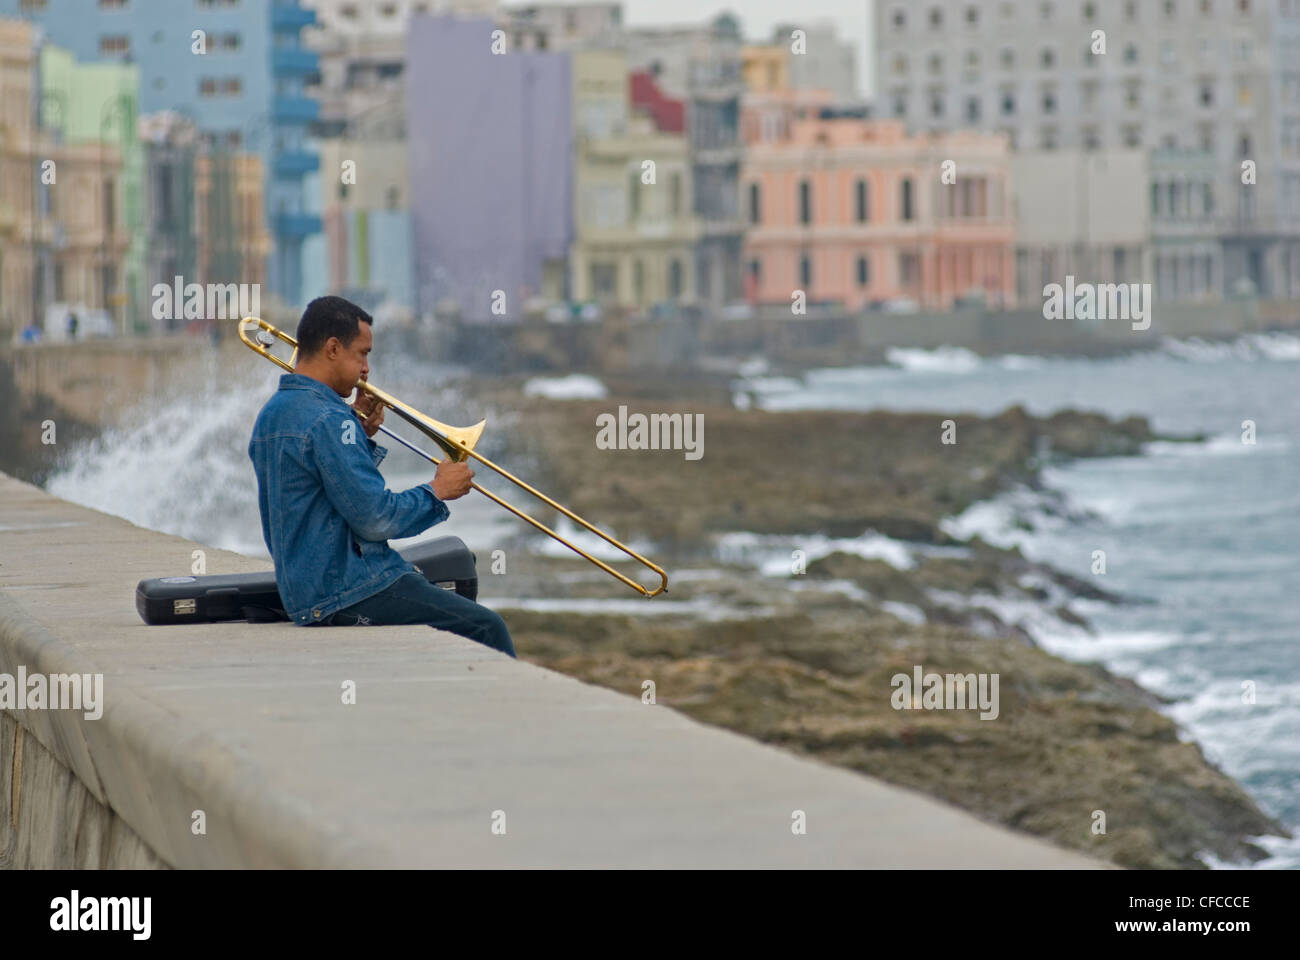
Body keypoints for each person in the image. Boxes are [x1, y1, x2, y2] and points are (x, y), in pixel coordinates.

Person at [247, 296, 515, 657]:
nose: (367, 368)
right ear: (331, 348)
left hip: (307, 588)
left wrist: (358, 432)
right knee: (487, 627)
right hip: (347, 589)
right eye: (362, 354)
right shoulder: (329, 419)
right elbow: (376, 518)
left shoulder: (274, 413)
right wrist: (437, 491)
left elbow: (325, 495)